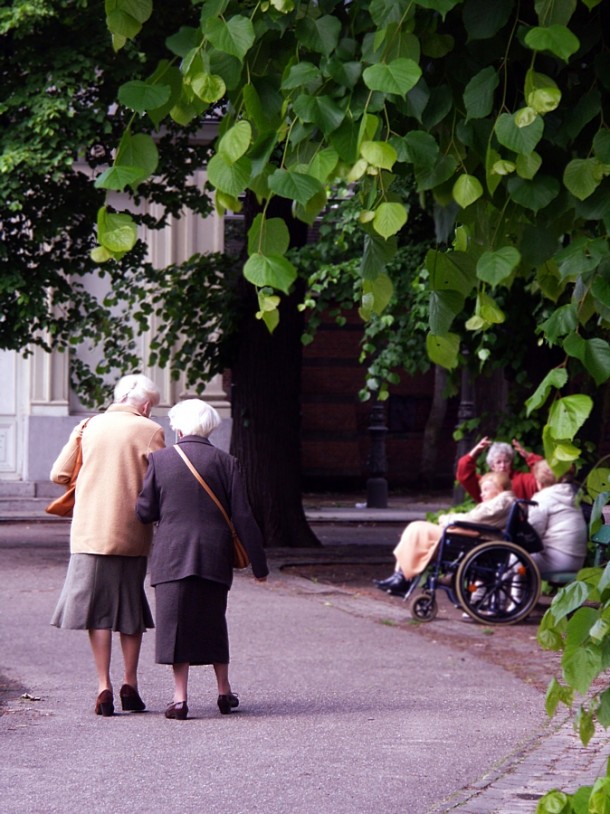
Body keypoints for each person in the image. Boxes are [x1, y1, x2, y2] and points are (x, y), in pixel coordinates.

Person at [135, 398, 269, 721]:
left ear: (178, 427)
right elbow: (243, 516)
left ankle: (179, 699)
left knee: (175, 624)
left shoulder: (160, 461)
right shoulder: (227, 462)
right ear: (209, 427)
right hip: (214, 554)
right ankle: (224, 691)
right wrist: (259, 565)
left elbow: (144, 512)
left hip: (171, 556)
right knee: (213, 622)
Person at [50, 373, 165, 717]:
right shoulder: (149, 431)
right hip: (132, 532)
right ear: (145, 406)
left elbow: (59, 474)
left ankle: (104, 687)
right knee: (130, 609)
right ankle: (131, 683)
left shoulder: (87, 426)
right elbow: (161, 482)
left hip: (89, 532)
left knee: (97, 612)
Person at [375, 471, 515, 596]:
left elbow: (474, 518)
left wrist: (448, 518)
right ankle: (400, 576)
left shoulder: (503, 501)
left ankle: (401, 578)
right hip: (469, 535)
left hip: (472, 538)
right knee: (415, 529)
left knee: (416, 528)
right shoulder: (502, 501)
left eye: (486, 489)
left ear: (500, 489)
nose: (481, 494)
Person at [527, 460, 588, 577]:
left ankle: (515, 595)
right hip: (576, 560)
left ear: (540, 482)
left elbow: (534, 533)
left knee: (513, 560)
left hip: (556, 560)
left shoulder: (543, 498)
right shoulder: (570, 494)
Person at [456, 436, 542, 503]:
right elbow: (464, 474)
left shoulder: (522, 479)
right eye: (498, 462)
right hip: (489, 523)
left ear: (511, 462)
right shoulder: (486, 483)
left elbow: (544, 476)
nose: (503, 466)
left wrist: (529, 457)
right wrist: (474, 452)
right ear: (492, 466)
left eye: (506, 461)